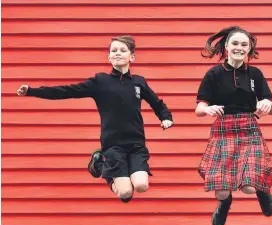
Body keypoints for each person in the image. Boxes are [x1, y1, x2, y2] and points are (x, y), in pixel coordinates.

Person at [17, 35, 174, 203]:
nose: (117, 53)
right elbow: (66, 91)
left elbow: (157, 103)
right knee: (125, 193)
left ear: (132, 57)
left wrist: (165, 117)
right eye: (113, 51)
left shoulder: (139, 82)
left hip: (136, 144)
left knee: (141, 186)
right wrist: (32, 91)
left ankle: (122, 174)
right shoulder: (101, 81)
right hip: (113, 145)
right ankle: (100, 163)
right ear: (109, 57)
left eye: (122, 50)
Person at [195, 26, 272, 225]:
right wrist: (208, 109)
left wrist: (267, 105)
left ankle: (262, 192)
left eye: (244, 45)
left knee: (249, 186)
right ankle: (224, 204)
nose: (239, 47)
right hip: (223, 129)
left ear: (249, 49)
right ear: (226, 46)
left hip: (249, 128)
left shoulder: (255, 74)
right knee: (222, 190)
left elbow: (271, 106)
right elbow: (199, 108)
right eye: (235, 43)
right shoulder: (214, 74)